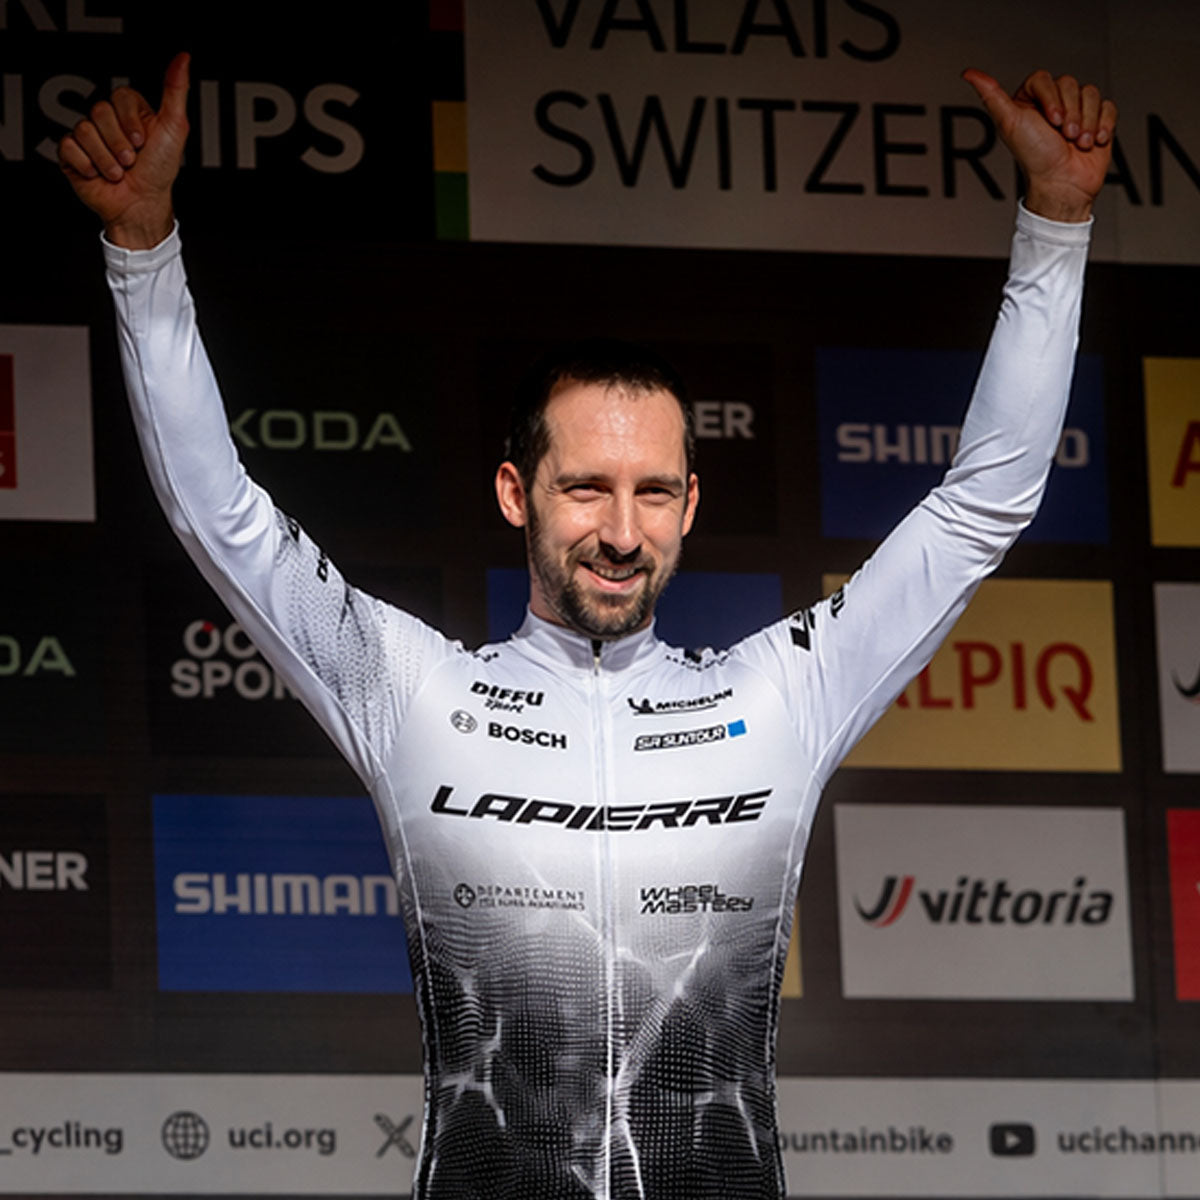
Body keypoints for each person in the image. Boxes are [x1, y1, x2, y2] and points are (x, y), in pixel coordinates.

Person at [61, 54, 1116, 1200]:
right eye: (585, 490)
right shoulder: (415, 692)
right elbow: (219, 516)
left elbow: (979, 507)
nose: (621, 532)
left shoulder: (781, 696)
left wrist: (1057, 222)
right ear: (516, 493)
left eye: (653, 492)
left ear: (690, 504)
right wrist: (143, 250)